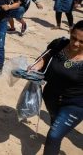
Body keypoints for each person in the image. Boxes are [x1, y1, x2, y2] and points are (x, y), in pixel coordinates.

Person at [29, 20, 83, 155]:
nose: (76, 44)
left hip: (75, 104)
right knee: (55, 127)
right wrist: (39, 64)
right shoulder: (60, 44)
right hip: (51, 97)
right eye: (74, 38)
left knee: (53, 135)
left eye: (82, 42)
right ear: (70, 32)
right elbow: (47, 55)